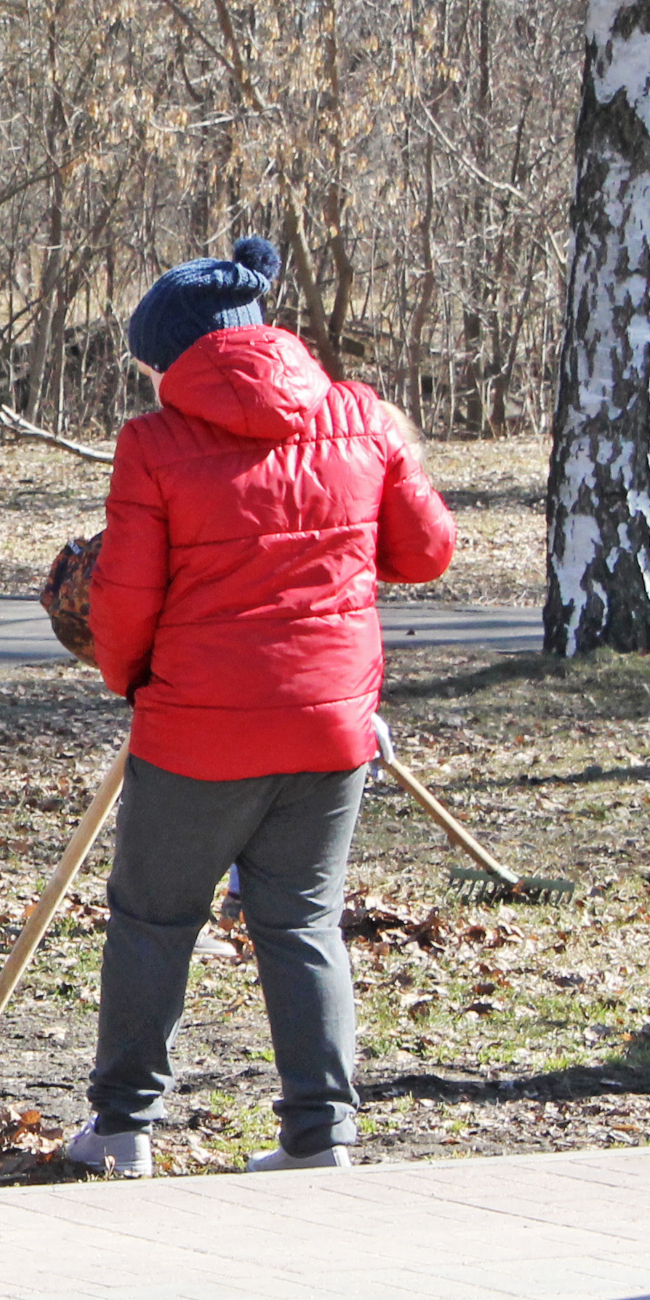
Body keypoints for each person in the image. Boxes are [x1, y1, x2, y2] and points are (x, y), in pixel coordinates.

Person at [66, 237, 455, 1178]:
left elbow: (123, 602)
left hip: (197, 727)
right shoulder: (361, 415)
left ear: (178, 355)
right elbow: (428, 549)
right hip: (330, 725)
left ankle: (122, 1129)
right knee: (302, 924)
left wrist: (129, 681)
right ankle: (322, 1137)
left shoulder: (154, 444)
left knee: (155, 919)